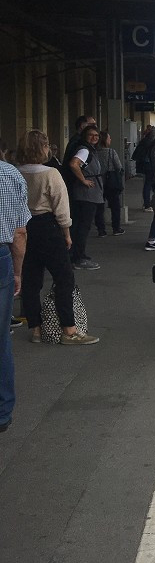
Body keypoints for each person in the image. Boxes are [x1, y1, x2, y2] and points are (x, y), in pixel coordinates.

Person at [13, 131, 98, 345]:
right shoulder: (51, 173)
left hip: (23, 226)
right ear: (43, 148)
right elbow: (61, 206)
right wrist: (67, 233)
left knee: (31, 280)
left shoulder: (16, 172)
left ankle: (36, 329)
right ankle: (69, 329)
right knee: (64, 278)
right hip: (48, 227)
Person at [0, 158, 31, 431]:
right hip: (0, 256)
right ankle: (2, 412)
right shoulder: (9, 174)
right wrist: (18, 272)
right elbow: (19, 232)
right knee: (0, 337)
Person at [67, 124, 104, 270]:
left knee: (80, 225)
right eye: (91, 135)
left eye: (96, 135)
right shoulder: (84, 150)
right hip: (86, 194)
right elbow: (74, 164)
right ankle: (79, 257)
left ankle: (77, 254)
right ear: (85, 136)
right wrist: (83, 180)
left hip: (86, 193)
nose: (94, 138)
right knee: (83, 226)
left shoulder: (88, 149)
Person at [94, 130, 125, 237]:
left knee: (99, 208)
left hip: (98, 183)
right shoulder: (111, 152)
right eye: (109, 138)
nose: (110, 139)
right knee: (115, 207)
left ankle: (101, 230)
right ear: (106, 140)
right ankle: (116, 228)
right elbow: (119, 167)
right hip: (111, 183)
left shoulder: (94, 152)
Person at [131, 124, 155, 211]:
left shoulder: (145, 141)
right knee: (149, 184)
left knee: (148, 184)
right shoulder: (151, 143)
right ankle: (147, 204)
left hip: (145, 165)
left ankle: (147, 203)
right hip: (149, 165)